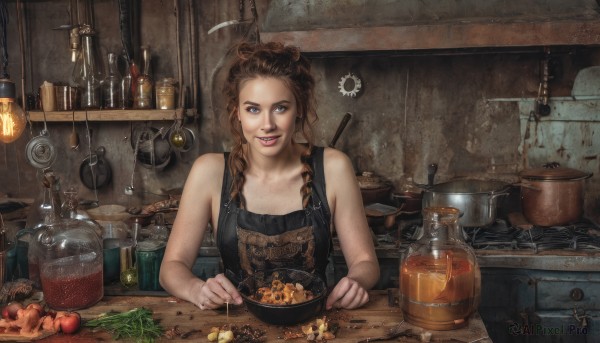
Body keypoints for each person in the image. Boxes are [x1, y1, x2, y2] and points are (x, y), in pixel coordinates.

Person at [159, 41, 379, 311]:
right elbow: (171, 268)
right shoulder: (209, 172)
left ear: (298, 109)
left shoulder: (334, 168)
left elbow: (366, 263)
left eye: (280, 108)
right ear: (237, 112)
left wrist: (356, 281)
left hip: (316, 323)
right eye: (253, 109)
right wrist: (197, 289)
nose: (267, 125)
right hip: (233, 325)